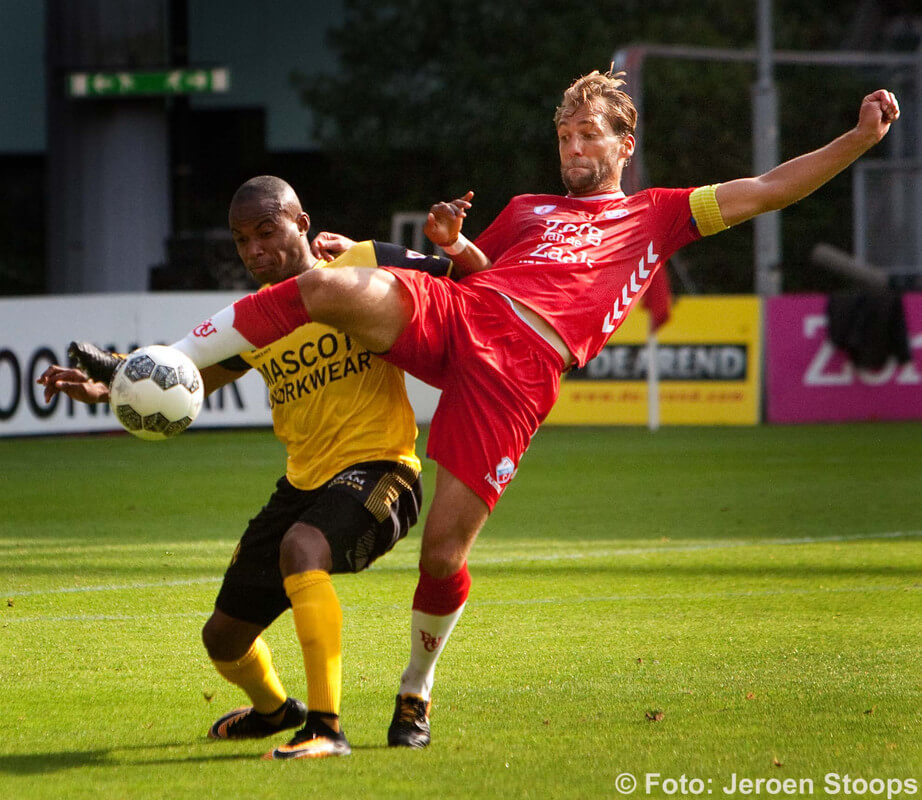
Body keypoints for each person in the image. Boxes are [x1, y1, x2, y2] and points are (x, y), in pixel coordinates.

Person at [163, 72, 901, 749]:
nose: (573, 148)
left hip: (515, 376)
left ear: (624, 143)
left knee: (443, 556)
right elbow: (474, 271)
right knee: (325, 286)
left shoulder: (659, 214)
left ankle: (414, 695)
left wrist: (860, 139)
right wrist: (452, 250)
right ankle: (165, 362)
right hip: (460, 314)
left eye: (588, 135)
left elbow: (771, 186)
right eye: (564, 136)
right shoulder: (526, 209)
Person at [38, 175, 456, 760]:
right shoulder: (251, 321)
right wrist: (103, 387)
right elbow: (180, 383)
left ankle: (327, 729)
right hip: (302, 485)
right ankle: (274, 712)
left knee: (302, 548)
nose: (255, 250)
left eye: (267, 231)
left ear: (302, 223)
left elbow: (465, 279)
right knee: (223, 639)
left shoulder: (363, 261)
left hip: (383, 470)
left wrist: (457, 246)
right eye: (241, 240)